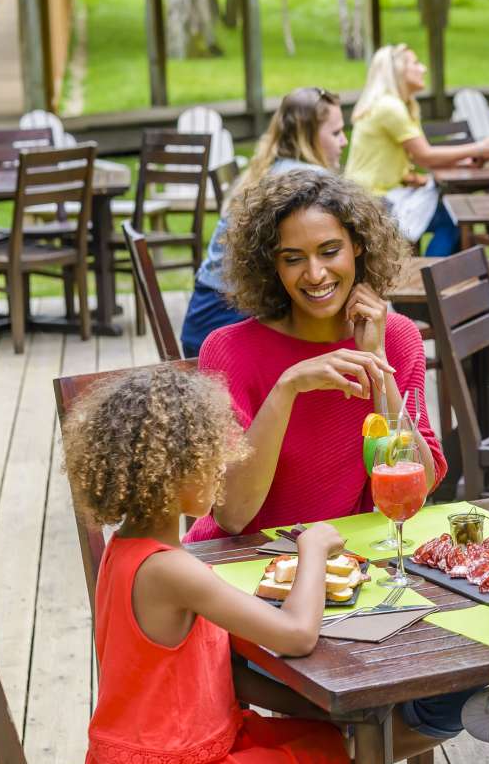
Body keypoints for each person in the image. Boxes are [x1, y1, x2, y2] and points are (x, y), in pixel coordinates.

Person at [65, 363, 354, 764]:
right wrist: (313, 547)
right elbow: (298, 635)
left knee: (324, 740)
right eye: (208, 456)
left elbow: (214, 675)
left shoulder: (124, 551)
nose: (222, 467)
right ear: (167, 473)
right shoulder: (172, 571)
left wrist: (327, 712)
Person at [185, 170, 446, 543]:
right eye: (293, 258)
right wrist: (287, 388)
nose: (315, 273)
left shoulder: (396, 338)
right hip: (239, 559)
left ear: (358, 245)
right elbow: (233, 516)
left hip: (342, 558)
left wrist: (375, 359)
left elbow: (418, 488)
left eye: (329, 251)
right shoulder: (229, 350)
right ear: (272, 264)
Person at [179, 87, 349, 358]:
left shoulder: (270, 168)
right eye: (336, 132)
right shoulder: (308, 183)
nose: (344, 141)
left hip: (201, 319)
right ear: (308, 135)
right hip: (224, 329)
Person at [347, 43, 489, 256]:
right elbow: (425, 156)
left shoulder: (394, 105)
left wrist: (461, 161)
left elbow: (414, 157)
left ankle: (430, 268)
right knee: (453, 218)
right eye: (415, 63)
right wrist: (478, 148)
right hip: (374, 201)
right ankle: (431, 271)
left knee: (448, 214)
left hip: (370, 196)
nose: (423, 68)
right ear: (399, 70)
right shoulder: (390, 107)